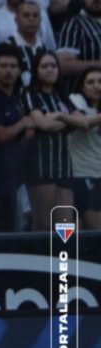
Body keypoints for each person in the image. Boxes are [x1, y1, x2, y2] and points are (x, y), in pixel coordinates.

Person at [0, 43, 31, 232]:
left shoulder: (15, 97)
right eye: (3, 66)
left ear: (19, 70)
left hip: (14, 174)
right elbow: (0, 135)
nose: (8, 71)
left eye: (12, 66)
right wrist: (24, 123)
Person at [23, 51, 74, 231]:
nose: (50, 69)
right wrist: (67, 120)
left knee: (65, 226)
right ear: (36, 70)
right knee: (44, 224)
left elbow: (82, 122)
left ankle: (63, 260)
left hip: (64, 166)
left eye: (53, 66)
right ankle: (40, 260)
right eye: (44, 66)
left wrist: (59, 116)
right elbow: (42, 124)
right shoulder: (30, 94)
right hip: (41, 165)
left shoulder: (62, 95)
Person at [66, 66, 101, 229]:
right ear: (82, 86)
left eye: (100, 82)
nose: (96, 86)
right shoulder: (75, 100)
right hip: (82, 173)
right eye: (91, 82)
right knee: (92, 228)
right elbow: (84, 123)